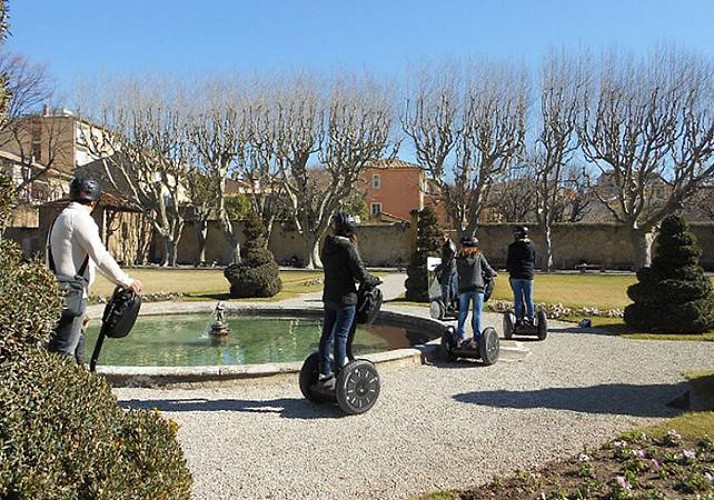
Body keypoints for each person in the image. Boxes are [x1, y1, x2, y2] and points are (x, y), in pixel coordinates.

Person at [47, 177, 143, 363]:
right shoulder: (80, 219)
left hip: (59, 290)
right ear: (94, 201)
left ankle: (80, 385)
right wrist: (125, 281)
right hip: (73, 293)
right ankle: (59, 390)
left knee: (73, 349)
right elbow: (100, 255)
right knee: (64, 351)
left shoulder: (61, 218)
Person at [317, 212, 380, 390]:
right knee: (341, 336)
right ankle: (340, 374)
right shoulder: (348, 247)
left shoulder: (327, 245)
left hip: (329, 297)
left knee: (327, 335)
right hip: (346, 298)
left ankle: (324, 372)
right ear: (350, 229)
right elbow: (361, 274)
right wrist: (374, 280)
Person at [455, 236, 497, 347]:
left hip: (464, 288)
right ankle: (477, 338)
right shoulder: (479, 256)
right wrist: (493, 273)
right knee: (477, 313)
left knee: (463, 313)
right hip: (478, 288)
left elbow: (457, 273)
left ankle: (460, 337)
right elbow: (487, 268)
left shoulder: (459, 258)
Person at [506, 225, 536, 326]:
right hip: (528, 274)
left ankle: (519, 319)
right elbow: (533, 259)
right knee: (529, 298)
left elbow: (509, 261)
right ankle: (531, 319)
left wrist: (509, 270)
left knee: (518, 298)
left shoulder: (513, 246)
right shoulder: (532, 245)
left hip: (516, 275)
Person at [438, 231, 458, 311]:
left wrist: (438, 268)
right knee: (451, 286)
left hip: (449, 268)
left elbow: (447, 261)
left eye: (442, 239)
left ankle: (445, 304)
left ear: (446, 237)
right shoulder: (450, 244)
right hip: (452, 267)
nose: (441, 241)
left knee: (445, 285)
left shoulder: (449, 246)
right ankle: (453, 304)